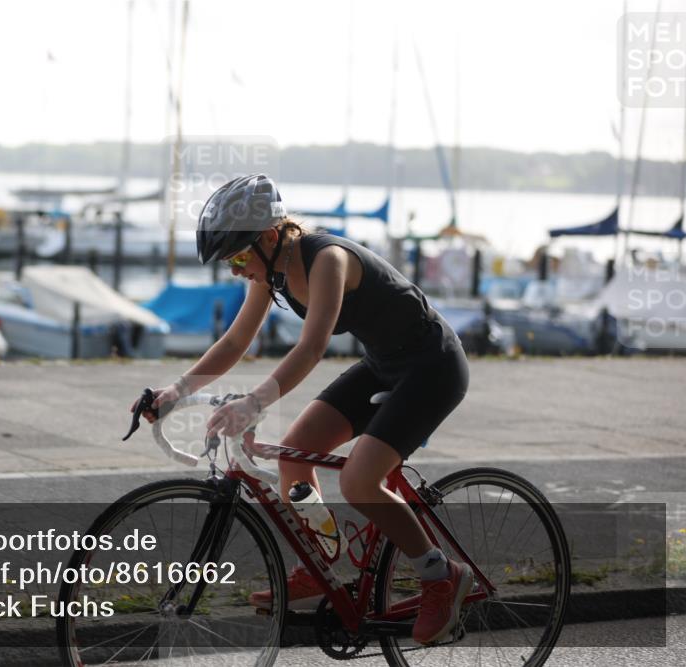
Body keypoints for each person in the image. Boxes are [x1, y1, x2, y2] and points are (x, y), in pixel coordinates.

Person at [133, 173, 472, 645]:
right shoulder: (270, 270)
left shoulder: (328, 260)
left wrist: (254, 403)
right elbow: (235, 340)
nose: (234, 270)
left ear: (270, 237)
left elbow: (311, 348)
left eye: (236, 256)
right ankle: (321, 565)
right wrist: (175, 389)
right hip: (383, 364)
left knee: (358, 480)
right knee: (293, 455)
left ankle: (441, 574)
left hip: (432, 368)